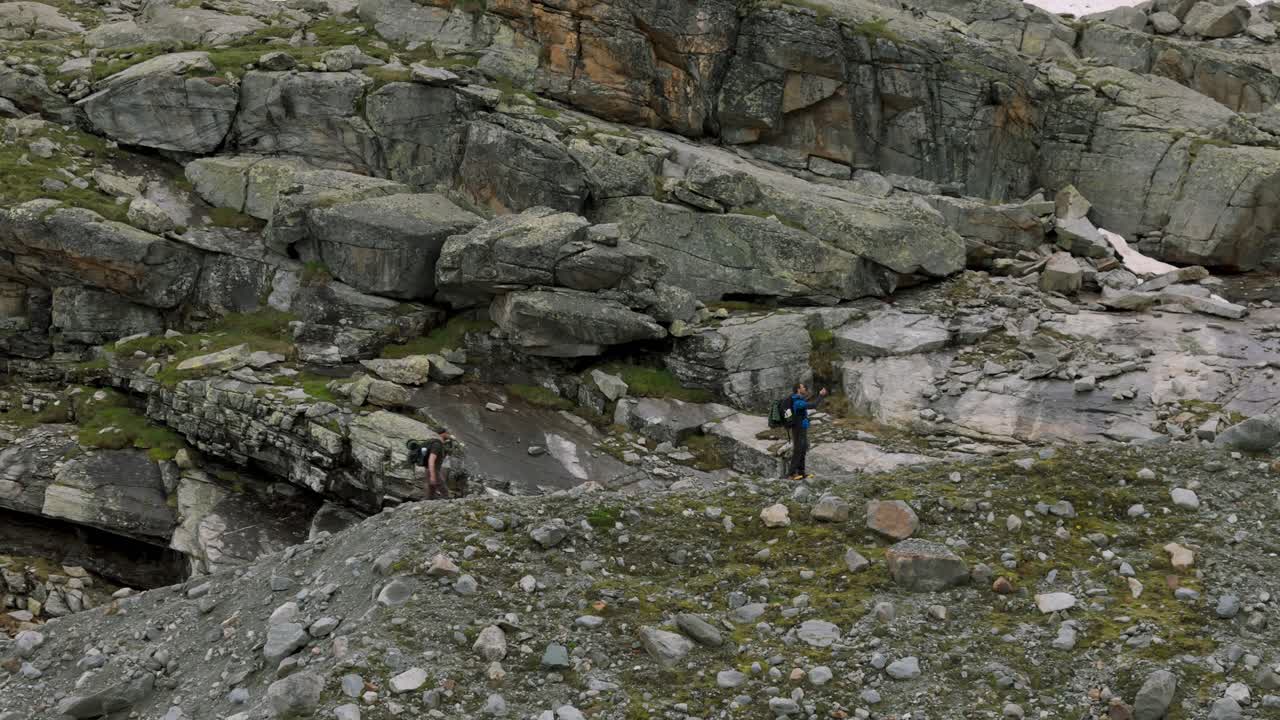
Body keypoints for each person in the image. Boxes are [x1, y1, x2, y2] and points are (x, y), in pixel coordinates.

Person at [787, 383, 828, 480]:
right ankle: (791, 474)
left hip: (802, 428)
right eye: (803, 387)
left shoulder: (800, 399)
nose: (805, 388)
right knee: (798, 450)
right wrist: (821, 395)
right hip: (797, 428)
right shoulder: (796, 401)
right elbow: (813, 405)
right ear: (798, 389)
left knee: (803, 448)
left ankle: (801, 472)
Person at [423, 428, 452, 500]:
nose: (449, 435)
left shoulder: (439, 443)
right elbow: (431, 460)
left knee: (431, 493)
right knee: (444, 492)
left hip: (429, 470)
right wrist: (433, 476)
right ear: (443, 434)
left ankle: (426, 506)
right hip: (433, 470)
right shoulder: (437, 445)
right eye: (448, 433)